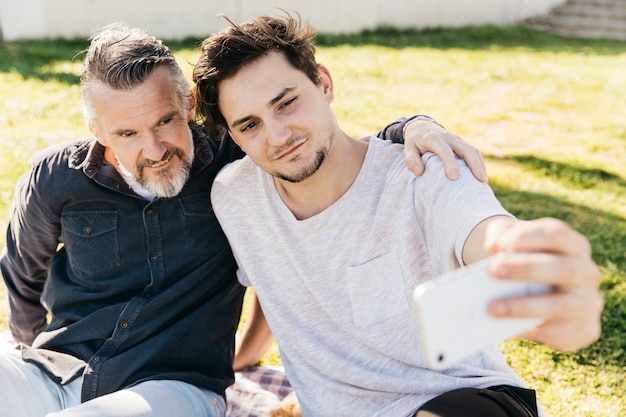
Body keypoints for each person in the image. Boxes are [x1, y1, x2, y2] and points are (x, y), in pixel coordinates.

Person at [0, 22, 484, 417]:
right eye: (126, 132)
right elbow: (22, 277)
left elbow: (321, 150)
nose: (154, 149)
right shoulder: (56, 178)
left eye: (165, 121)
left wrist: (413, 126)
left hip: (168, 385)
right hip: (54, 368)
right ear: (97, 131)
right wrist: (31, 359)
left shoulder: (237, 159)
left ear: (189, 106)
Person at [194, 14, 604, 417]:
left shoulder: (424, 173)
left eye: (286, 103)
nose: (278, 136)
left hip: (459, 398)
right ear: (233, 136)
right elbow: (278, 283)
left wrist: (531, 261)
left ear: (324, 83)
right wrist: (243, 360)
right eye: (250, 125)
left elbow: (485, 230)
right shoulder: (235, 197)